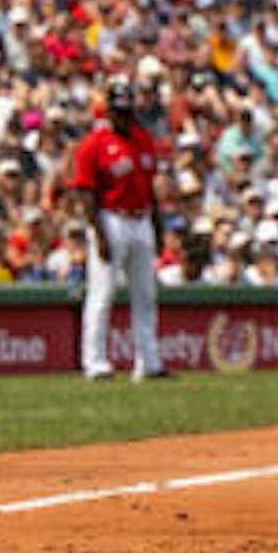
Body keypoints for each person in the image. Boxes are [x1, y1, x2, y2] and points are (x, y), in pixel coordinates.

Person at [61, 80, 166, 382]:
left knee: (145, 294)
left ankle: (149, 362)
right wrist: (99, 234)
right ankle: (95, 362)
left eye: (127, 110)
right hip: (111, 218)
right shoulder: (94, 144)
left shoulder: (143, 139)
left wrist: (157, 229)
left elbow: (151, 189)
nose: (123, 117)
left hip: (141, 218)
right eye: (118, 111)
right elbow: (86, 194)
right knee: (102, 294)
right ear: (108, 111)